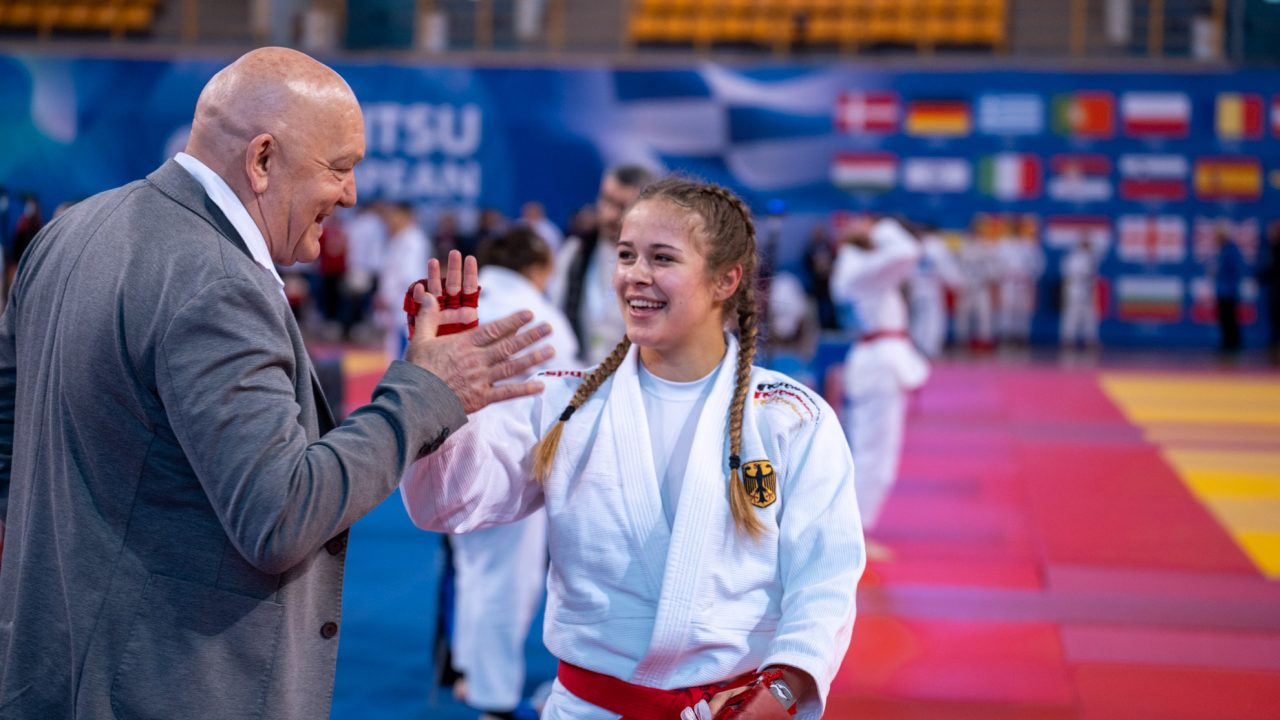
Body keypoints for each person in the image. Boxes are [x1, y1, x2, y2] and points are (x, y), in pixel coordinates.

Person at [0, 47, 553, 720]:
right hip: (167, 688)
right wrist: (424, 391)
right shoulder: (218, 281)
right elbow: (281, 517)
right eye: (340, 168)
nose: (352, 195)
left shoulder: (72, 230)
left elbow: (11, 433)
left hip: (47, 671)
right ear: (262, 160)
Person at [402, 178, 863, 720]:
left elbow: (825, 579)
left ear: (725, 279)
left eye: (661, 258)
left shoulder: (790, 417)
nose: (634, 275)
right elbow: (447, 504)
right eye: (626, 255)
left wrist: (783, 691)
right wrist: (443, 402)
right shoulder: (563, 403)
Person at [448, 226, 581, 720]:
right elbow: (566, 400)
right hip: (510, 464)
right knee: (508, 580)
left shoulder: (463, 305)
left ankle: (469, 669)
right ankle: (495, 697)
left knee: (474, 571)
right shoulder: (541, 315)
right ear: (540, 268)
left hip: (449, 454)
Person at [830, 216, 930, 540]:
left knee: (869, 453)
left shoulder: (859, 268)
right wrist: (881, 228)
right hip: (878, 365)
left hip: (876, 361)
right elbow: (908, 251)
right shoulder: (858, 269)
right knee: (875, 457)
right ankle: (852, 534)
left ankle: (851, 530)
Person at [549, 164, 656, 365]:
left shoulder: (656, 268)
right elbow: (555, 318)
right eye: (606, 201)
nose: (610, 215)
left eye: (623, 207)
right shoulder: (575, 253)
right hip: (577, 377)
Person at [376, 200, 432, 361]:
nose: (390, 220)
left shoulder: (413, 241)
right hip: (395, 307)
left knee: (402, 354)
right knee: (393, 350)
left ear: (405, 216)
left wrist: (391, 299)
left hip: (404, 307)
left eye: (394, 216)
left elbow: (410, 277)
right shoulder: (398, 239)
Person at [908, 224, 962, 358]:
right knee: (933, 319)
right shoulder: (937, 246)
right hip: (931, 288)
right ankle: (930, 348)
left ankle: (917, 347)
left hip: (916, 288)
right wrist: (956, 283)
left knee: (918, 318)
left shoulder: (913, 245)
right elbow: (946, 268)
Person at [996, 215, 1046, 348]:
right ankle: (1006, 336)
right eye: (1012, 228)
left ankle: (1021, 337)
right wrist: (1003, 274)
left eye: (1017, 227)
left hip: (1024, 283)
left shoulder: (1028, 245)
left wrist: (1030, 275)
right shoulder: (1003, 244)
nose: (1015, 230)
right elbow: (996, 264)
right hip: (1007, 282)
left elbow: (1039, 263)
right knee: (1006, 310)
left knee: (1022, 311)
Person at [1059, 237, 1103, 351]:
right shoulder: (1073, 257)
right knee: (1072, 315)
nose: (1087, 246)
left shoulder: (1090, 257)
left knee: (1090, 316)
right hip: (1075, 288)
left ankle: (1090, 340)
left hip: (1087, 289)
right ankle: (1068, 339)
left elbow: (1100, 252)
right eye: (1085, 244)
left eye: (1087, 244)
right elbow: (1067, 275)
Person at [1213, 229, 1245, 355]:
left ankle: (1234, 344)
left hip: (1229, 290)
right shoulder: (1223, 250)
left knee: (1230, 318)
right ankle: (1227, 343)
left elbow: (1234, 270)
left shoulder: (1231, 250)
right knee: (1224, 318)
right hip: (1222, 290)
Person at [1260, 223, 1280, 364]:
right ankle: (1274, 346)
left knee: (1276, 317)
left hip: (1277, 289)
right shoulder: (1273, 248)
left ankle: (1274, 346)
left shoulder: (1276, 249)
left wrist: (1261, 277)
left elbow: (1274, 268)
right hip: (1275, 288)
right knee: (1275, 318)